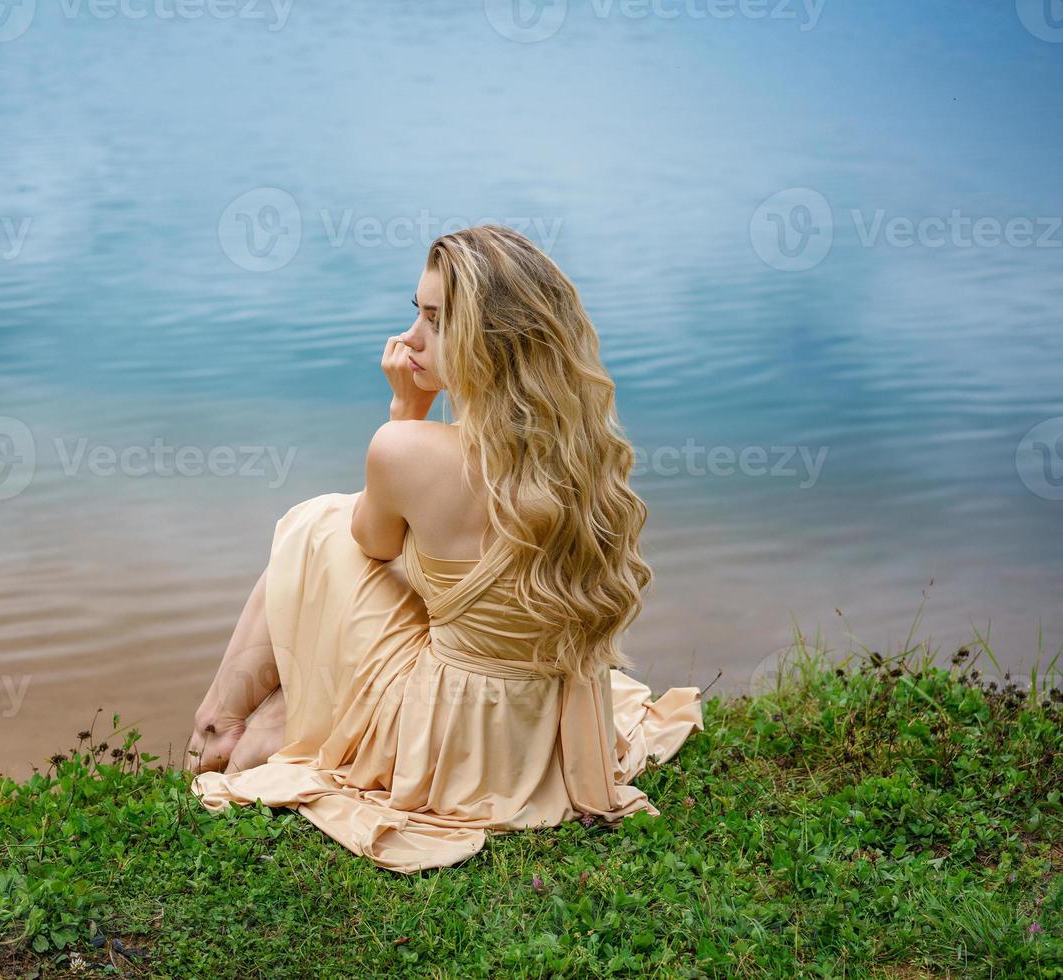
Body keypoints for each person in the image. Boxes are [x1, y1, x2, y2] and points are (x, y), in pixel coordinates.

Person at [185, 225, 704, 874]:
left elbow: (373, 544)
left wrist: (407, 410)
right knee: (340, 535)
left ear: (491, 338)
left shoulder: (407, 450)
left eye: (436, 320)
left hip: (447, 731)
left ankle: (219, 721)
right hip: (551, 717)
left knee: (315, 523)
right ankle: (255, 716)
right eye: (416, 314)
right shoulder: (584, 453)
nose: (411, 340)